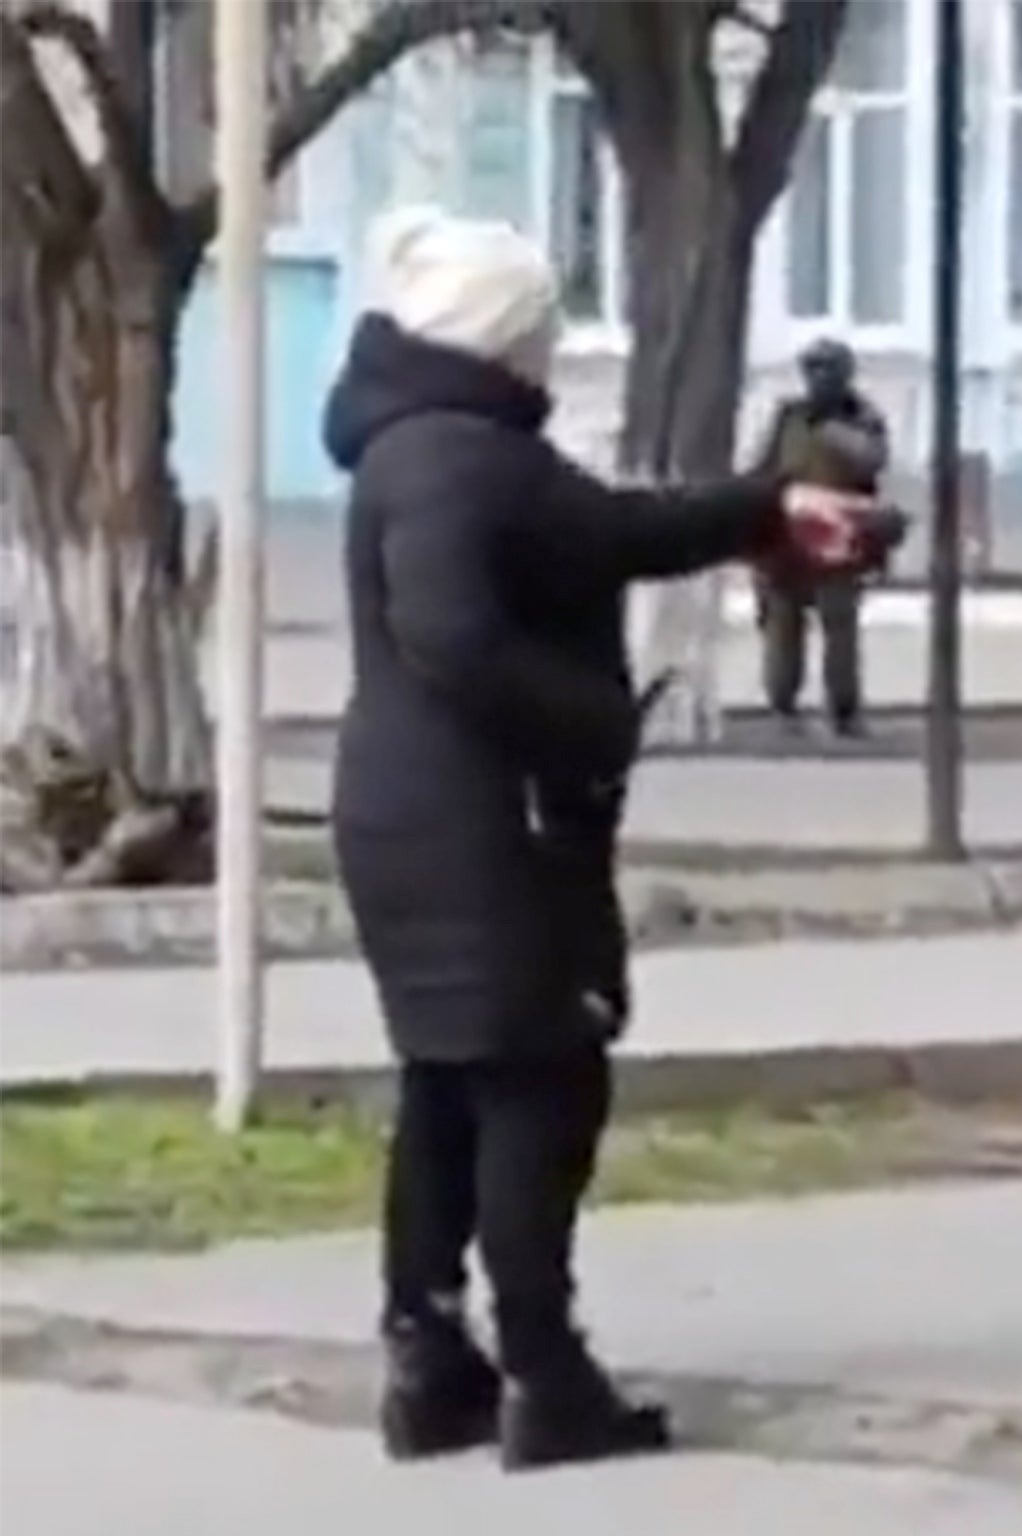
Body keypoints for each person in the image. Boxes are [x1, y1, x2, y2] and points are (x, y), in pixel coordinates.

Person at [322, 208, 875, 1471]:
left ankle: (429, 1355)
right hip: (489, 822)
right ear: (507, 337)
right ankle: (545, 1372)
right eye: (544, 333)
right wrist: (592, 725)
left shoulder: (430, 443)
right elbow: (453, 635)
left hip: (413, 812)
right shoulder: (458, 457)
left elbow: (613, 533)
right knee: (543, 1078)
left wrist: (766, 512)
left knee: (450, 1078)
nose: (552, 354)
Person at [750, 338, 892, 738]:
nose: (819, 378)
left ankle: (843, 711)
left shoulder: (862, 417)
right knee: (782, 623)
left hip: (839, 538)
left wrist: (832, 431)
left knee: (839, 624)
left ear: (845, 374)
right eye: (812, 369)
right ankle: (783, 705)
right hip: (789, 537)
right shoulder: (789, 416)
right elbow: (765, 468)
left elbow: (873, 461)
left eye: (828, 369)